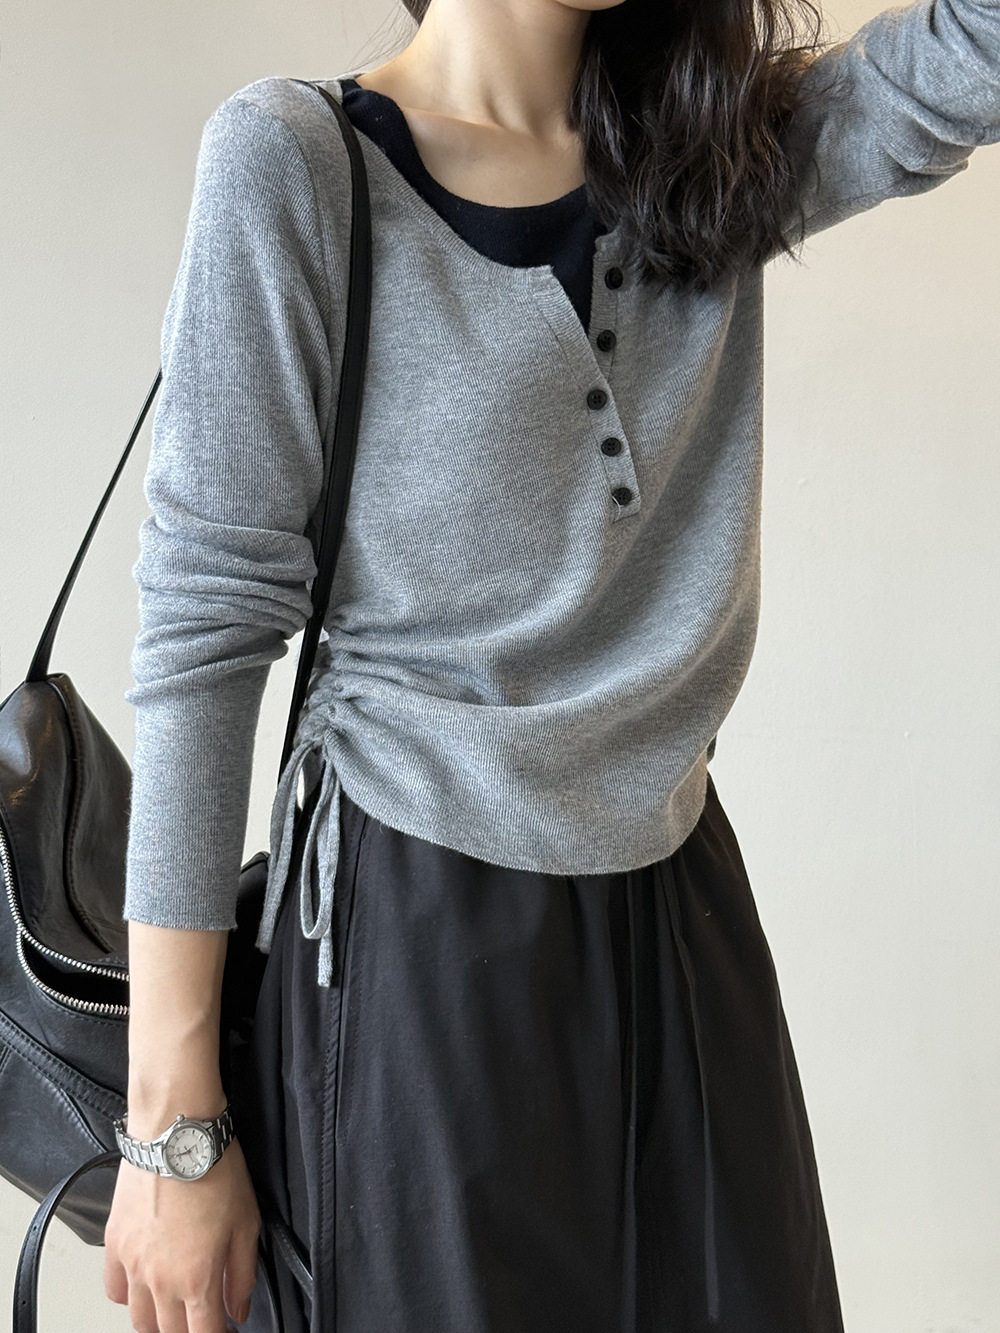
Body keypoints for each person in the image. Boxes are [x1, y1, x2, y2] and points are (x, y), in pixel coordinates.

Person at [103, 0, 1000, 1329]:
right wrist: (174, 1128)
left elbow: (968, 57)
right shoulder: (295, 160)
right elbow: (204, 631)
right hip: (416, 927)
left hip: (677, 902)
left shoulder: (712, 151)